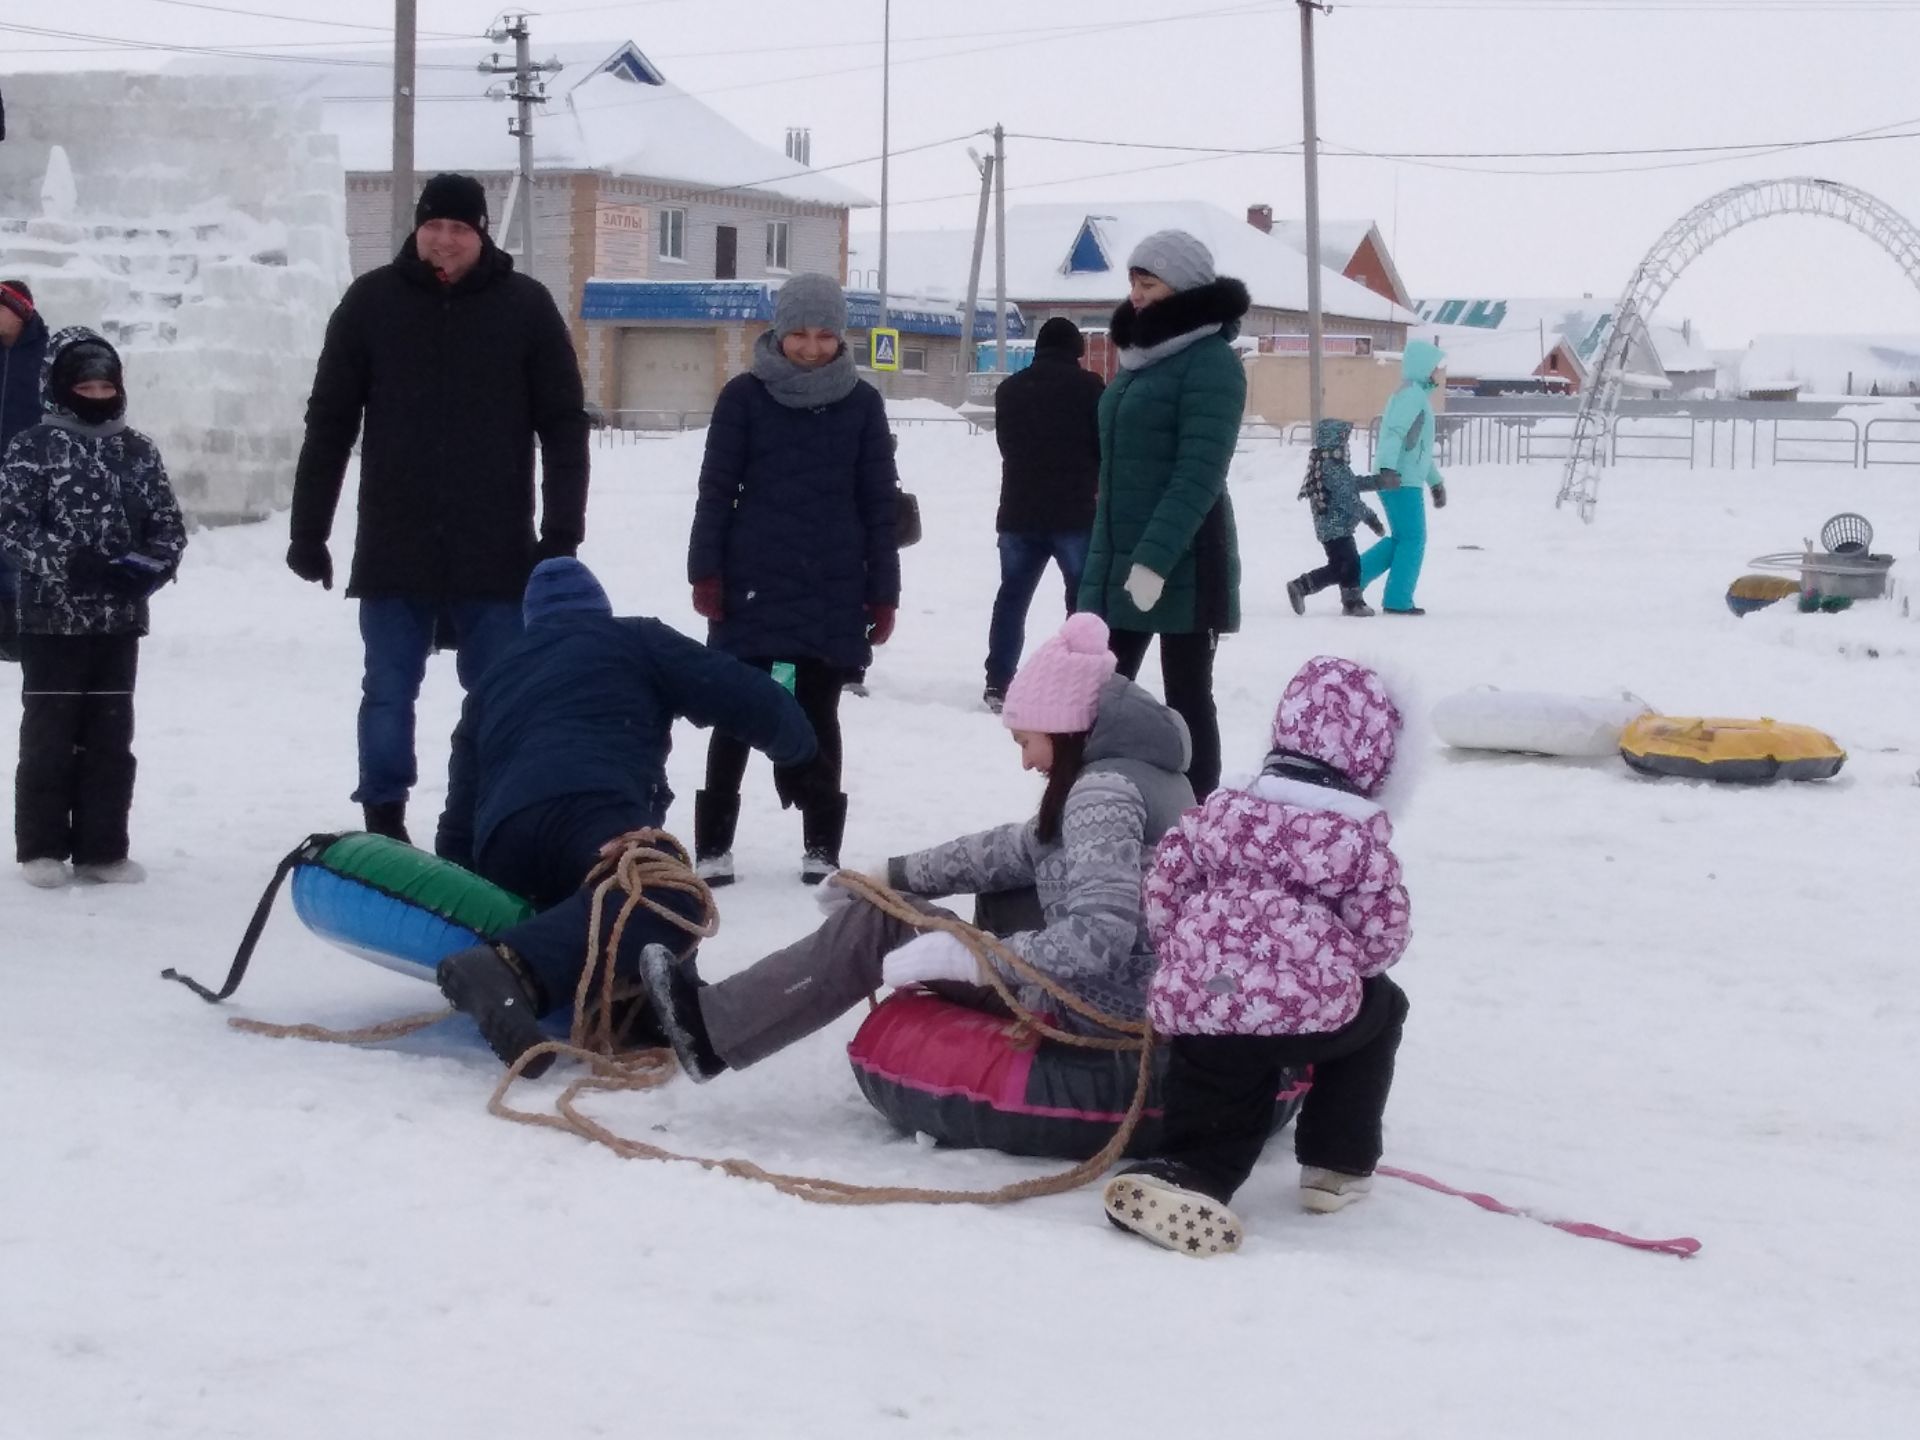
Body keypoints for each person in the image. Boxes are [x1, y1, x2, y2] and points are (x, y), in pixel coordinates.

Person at [635, 612, 1193, 1084]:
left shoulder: (1104, 793)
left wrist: (975, 959)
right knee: (973, 889)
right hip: (1124, 995)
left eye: (1026, 741)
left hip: (1100, 1008)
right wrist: (892, 874)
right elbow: (1009, 851)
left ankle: (711, 1031)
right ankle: (725, 1018)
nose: (1025, 760)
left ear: (1065, 727)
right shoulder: (1139, 773)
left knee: (878, 927)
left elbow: (1101, 937)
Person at [288, 172, 591, 844]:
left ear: (481, 234)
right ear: (416, 230)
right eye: (434, 226)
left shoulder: (526, 306)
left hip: (497, 548)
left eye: (460, 228)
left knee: (501, 695)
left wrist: (561, 530)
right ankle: (384, 821)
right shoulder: (371, 303)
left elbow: (564, 424)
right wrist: (308, 531)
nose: (445, 240)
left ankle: (490, 814)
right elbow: (330, 421)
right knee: (389, 692)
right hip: (397, 543)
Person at [431, 557, 817, 1076]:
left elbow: (457, 825)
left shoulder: (493, 681)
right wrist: (800, 752)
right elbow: (745, 695)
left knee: (604, 908)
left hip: (504, 842)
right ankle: (510, 969)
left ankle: (628, 997)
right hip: (593, 811)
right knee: (663, 892)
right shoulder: (633, 639)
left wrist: (472, 901)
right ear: (600, 609)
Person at [1103, 656, 1413, 1256]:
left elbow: (1164, 884)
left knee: (1216, 1074)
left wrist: (1190, 954)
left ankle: (1189, 1174)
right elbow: (1382, 939)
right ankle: (1335, 1166)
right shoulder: (1356, 839)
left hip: (1204, 993)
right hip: (1306, 1009)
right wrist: (1339, 965)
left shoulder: (1219, 812)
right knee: (1383, 1009)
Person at [686, 273, 900, 887]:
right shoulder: (744, 397)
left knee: (818, 714)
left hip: (831, 585)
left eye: (824, 335)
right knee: (735, 712)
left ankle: (820, 843)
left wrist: (883, 590)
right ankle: (714, 844)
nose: (811, 347)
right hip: (751, 582)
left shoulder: (861, 404)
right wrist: (706, 570)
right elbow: (716, 492)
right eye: (800, 334)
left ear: (841, 336)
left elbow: (877, 505)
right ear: (780, 332)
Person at [0, 327, 187, 888]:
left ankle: (103, 849)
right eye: (86, 385)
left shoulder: (137, 450)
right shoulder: (32, 447)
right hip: (50, 620)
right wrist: (68, 563)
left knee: (111, 739)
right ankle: (42, 848)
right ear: (61, 386)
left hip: (118, 623)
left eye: (107, 386)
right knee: (50, 736)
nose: (98, 395)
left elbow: (168, 526)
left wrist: (146, 571)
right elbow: (11, 526)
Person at [1078, 230, 1246, 800]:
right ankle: (1089, 801)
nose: (1137, 295)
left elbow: (1198, 472)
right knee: (1098, 688)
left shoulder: (1212, 363)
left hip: (1185, 558)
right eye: (1133, 282)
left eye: (1148, 283)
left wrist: (1152, 560)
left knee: (1188, 693)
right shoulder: (1139, 359)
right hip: (1119, 551)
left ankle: (1199, 816)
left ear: (1184, 288)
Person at [981, 316, 1104, 713]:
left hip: (1018, 511)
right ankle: (1078, 679)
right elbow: (1101, 447)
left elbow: (1006, 445)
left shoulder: (1009, 391)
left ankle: (998, 681)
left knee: (1012, 598)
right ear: (1077, 351)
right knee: (1082, 601)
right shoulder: (1090, 389)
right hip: (1075, 512)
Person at [1357, 338, 1447, 616]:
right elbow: (1394, 433)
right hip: (1399, 479)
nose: (1436, 373)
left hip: (1403, 477)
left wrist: (1435, 481)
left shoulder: (1415, 395)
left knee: (1402, 539)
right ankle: (1398, 600)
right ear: (1422, 367)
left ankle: (1352, 579)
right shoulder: (1411, 397)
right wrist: (1386, 469)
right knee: (1413, 540)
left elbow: (1417, 449)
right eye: (1434, 367)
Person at [1285, 417, 1398, 619]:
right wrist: (1372, 520)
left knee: (1344, 566)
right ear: (1334, 441)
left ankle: (1347, 600)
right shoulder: (1332, 467)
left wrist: (1379, 482)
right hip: (1335, 527)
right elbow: (1349, 499)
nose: (1346, 444)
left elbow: (1352, 484)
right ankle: (1309, 588)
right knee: (1348, 565)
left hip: (1332, 527)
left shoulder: (1331, 465)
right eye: (1343, 439)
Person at [1, 279, 52, 662]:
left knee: (17, 555)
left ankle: (20, 632)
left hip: (30, 472)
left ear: (21, 312)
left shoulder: (47, 357)